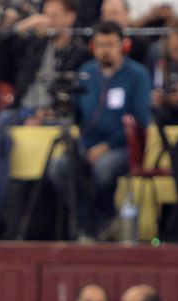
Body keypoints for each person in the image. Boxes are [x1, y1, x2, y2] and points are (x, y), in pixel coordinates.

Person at [48, 20, 152, 239]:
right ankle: (94, 224)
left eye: (110, 45)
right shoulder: (86, 73)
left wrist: (107, 146)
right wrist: (60, 104)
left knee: (103, 170)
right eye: (100, 44)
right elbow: (75, 114)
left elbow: (141, 121)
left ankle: (101, 221)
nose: (105, 50)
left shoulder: (137, 75)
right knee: (59, 167)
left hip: (123, 146)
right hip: (87, 143)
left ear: (123, 45)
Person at [0, 0, 91, 120]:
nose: (47, 20)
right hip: (21, 109)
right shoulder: (35, 43)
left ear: (70, 17)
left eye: (53, 16)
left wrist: (47, 113)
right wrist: (23, 25)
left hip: (55, 115)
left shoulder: (80, 51)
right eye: (45, 15)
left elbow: (76, 93)